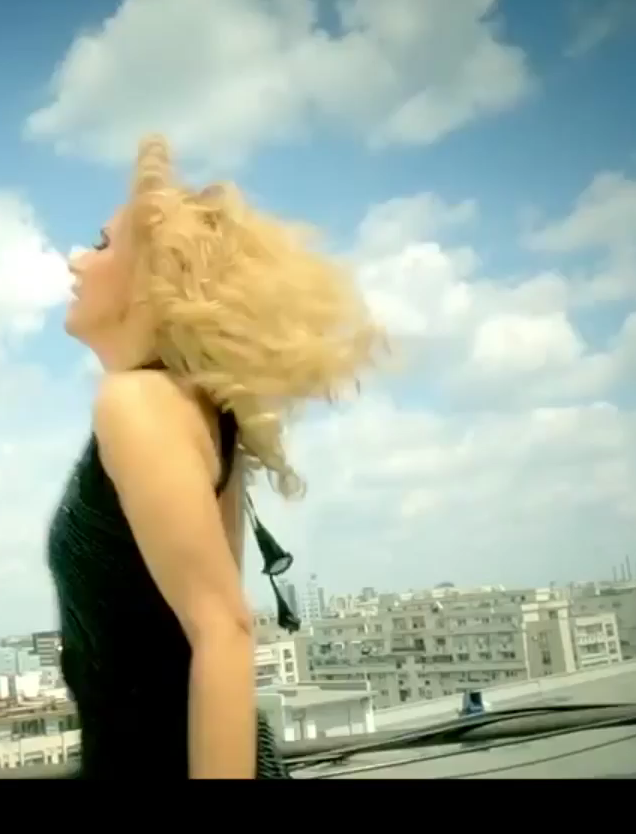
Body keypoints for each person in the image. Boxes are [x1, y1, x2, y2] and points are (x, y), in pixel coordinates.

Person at [48, 134, 384, 780]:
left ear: (151, 283)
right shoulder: (202, 411)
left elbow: (224, 629)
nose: (77, 259)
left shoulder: (133, 401)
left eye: (102, 244)